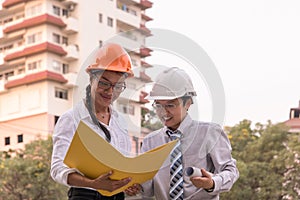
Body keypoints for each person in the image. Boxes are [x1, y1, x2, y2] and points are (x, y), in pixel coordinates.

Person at [50, 43, 138, 200]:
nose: (110, 92)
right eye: (104, 83)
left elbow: (124, 163)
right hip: (86, 195)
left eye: (117, 86)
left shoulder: (120, 122)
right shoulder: (72, 118)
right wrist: (93, 183)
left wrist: (128, 183)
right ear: (91, 78)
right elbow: (57, 169)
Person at [140, 67, 239, 199]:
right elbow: (148, 190)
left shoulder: (210, 133)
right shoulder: (150, 142)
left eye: (170, 105)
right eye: (158, 105)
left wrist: (212, 183)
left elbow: (231, 171)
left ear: (188, 103)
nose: (163, 112)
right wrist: (137, 187)